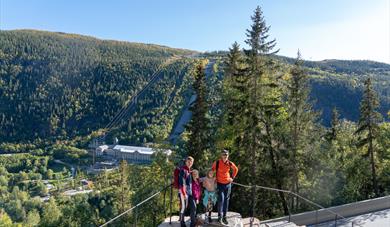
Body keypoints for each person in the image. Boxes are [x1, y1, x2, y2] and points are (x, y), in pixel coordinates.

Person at [212, 149, 238, 225]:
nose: (225, 156)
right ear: (221, 155)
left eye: (226, 154)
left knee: (226, 200)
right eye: (223, 154)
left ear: (228, 156)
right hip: (220, 184)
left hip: (228, 184)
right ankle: (220, 217)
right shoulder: (217, 163)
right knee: (221, 200)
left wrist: (232, 178)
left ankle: (225, 217)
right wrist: (212, 178)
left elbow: (236, 169)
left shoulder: (230, 163)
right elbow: (212, 170)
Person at [178, 156, 194, 227]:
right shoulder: (183, 170)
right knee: (183, 207)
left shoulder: (189, 171)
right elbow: (182, 183)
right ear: (186, 162)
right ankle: (182, 223)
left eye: (191, 162)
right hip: (183, 192)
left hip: (189, 192)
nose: (189, 163)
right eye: (188, 161)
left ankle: (192, 223)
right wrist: (184, 194)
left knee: (193, 206)